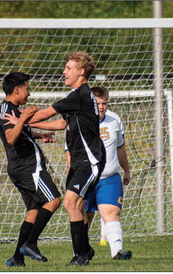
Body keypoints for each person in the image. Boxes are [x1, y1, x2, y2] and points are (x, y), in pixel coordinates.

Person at [6, 51, 106, 266]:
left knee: (71, 202)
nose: (64, 71)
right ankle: (85, 250)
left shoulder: (79, 95)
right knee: (75, 205)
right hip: (80, 160)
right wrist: (27, 124)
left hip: (91, 160)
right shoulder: (78, 97)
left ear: (81, 72)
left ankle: (80, 256)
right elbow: (62, 124)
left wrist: (20, 118)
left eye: (68, 68)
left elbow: (44, 114)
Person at [0, 72, 62, 267]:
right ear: (17, 89)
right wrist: (24, 117)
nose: (29, 93)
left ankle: (17, 257)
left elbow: (22, 131)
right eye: (26, 88)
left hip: (24, 168)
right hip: (28, 168)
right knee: (54, 200)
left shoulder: (14, 109)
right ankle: (31, 244)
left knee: (34, 209)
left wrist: (40, 135)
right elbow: (11, 137)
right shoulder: (6, 110)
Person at [65, 86, 132, 260]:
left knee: (111, 212)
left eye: (104, 103)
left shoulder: (114, 119)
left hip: (109, 178)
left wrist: (126, 170)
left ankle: (117, 252)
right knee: (82, 215)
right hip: (86, 176)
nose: (101, 107)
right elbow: (69, 151)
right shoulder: (79, 119)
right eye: (98, 103)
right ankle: (80, 253)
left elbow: (120, 147)